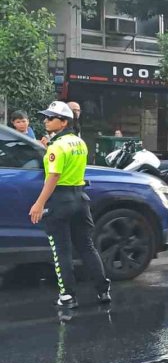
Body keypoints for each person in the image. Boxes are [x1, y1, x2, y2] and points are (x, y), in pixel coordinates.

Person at [29, 101, 110, 309]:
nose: (46, 121)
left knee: (61, 250)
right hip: (80, 199)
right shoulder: (79, 143)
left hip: (60, 200)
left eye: (51, 118)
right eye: (46, 117)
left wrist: (39, 203)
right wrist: (49, 148)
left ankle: (67, 296)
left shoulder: (57, 146)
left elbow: (54, 175)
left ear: (64, 122)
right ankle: (103, 290)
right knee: (87, 247)